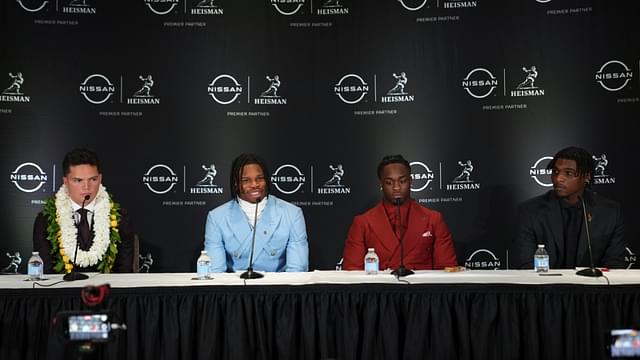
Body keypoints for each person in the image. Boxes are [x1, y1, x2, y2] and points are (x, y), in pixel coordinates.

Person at [512, 146, 626, 269]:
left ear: (587, 176)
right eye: (555, 172)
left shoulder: (610, 212)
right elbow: (525, 265)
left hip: (593, 286)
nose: (558, 178)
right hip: (545, 286)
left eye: (568, 173)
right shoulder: (530, 211)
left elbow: (615, 265)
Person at [341, 154, 458, 270]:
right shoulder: (362, 223)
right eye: (389, 182)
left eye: (402, 181)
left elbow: (447, 271)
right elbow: (352, 274)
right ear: (381, 183)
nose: (396, 187)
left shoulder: (434, 219)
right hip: (378, 288)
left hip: (422, 287)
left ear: (411, 181)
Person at [33, 148, 134, 273]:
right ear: (65, 181)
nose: (86, 187)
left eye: (93, 179)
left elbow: (124, 272)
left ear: (100, 179)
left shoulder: (120, 218)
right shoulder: (45, 221)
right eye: (78, 180)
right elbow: (46, 273)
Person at [204, 153, 308, 272]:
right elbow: (215, 273)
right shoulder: (216, 217)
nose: (254, 185)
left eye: (260, 178)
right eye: (246, 180)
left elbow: (297, 271)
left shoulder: (292, 214)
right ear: (236, 183)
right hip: (235, 288)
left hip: (279, 288)